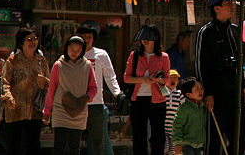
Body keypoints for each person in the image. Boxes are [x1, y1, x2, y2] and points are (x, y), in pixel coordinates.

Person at [195, 0, 245, 155]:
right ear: (216, 8)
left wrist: (244, 86)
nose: (232, 7)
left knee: (242, 136)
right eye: (227, 4)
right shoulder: (206, 32)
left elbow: (240, 63)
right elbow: (200, 64)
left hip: (235, 92)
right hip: (216, 94)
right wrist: (207, 93)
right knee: (214, 140)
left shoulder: (235, 30)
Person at [0, 24, 51, 155]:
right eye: (29, 39)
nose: (33, 42)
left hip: (35, 109)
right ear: (21, 42)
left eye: (35, 38)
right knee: (14, 145)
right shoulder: (12, 61)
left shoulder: (42, 61)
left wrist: (45, 84)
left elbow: (49, 83)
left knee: (33, 145)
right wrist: (8, 97)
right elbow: (5, 82)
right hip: (16, 108)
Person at [43, 35, 98, 155]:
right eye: (72, 49)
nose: (74, 52)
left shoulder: (87, 65)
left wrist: (86, 98)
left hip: (79, 111)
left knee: (75, 146)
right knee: (59, 145)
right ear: (66, 48)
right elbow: (51, 89)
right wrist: (47, 111)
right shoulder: (58, 65)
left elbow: (93, 88)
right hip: (60, 110)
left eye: (78, 50)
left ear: (82, 50)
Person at [124, 24, 172, 155]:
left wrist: (159, 80)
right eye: (142, 37)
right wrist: (144, 80)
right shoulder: (134, 55)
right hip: (138, 99)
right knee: (139, 135)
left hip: (158, 100)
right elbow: (126, 78)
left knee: (158, 136)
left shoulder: (164, 57)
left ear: (155, 38)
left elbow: (168, 80)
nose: (144, 40)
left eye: (148, 37)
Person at [77, 21, 121, 155]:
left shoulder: (101, 54)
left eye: (89, 37)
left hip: (96, 103)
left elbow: (110, 76)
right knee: (73, 140)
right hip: (76, 102)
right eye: (84, 37)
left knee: (98, 141)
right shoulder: (73, 54)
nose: (87, 40)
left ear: (93, 39)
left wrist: (118, 93)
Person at [172, 78, 206, 155]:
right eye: (196, 89)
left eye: (201, 88)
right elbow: (177, 125)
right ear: (188, 94)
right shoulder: (184, 108)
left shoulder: (201, 106)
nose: (200, 91)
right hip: (187, 144)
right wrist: (177, 143)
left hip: (199, 145)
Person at [164, 69, 184, 155]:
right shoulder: (163, 92)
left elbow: (184, 107)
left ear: (178, 81)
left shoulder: (180, 94)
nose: (173, 80)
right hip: (163, 126)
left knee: (172, 150)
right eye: (170, 78)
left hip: (174, 128)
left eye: (175, 78)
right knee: (164, 147)